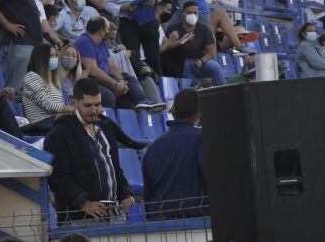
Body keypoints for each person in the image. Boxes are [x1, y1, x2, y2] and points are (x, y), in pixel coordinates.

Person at [44, 78, 138, 222]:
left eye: (98, 105)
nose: (94, 111)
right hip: (78, 221)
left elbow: (115, 169)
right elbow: (57, 179)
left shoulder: (106, 128)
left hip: (113, 216)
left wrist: (126, 194)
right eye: (88, 105)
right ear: (73, 102)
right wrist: (83, 203)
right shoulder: (59, 134)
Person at [141, 88, 207, 219]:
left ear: (173, 111)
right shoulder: (203, 139)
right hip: (197, 220)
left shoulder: (154, 147)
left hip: (159, 222)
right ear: (199, 114)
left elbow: (148, 194)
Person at [75, 17, 159, 109]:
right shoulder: (85, 42)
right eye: (107, 30)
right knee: (109, 96)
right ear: (101, 31)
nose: (108, 33)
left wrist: (122, 82)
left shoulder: (101, 44)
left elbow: (112, 66)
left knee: (130, 82)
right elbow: (93, 71)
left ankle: (143, 104)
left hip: (106, 79)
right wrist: (114, 84)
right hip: (92, 80)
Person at [160, 1, 225, 87]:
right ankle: (195, 89)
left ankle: (221, 91)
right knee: (187, 72)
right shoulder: (173, 28)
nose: (193, 15)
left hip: (199, 61)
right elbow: (167, 48)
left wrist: (201, 61)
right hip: (181, 62)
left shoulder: (204, 29)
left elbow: (211, 53)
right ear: (183, 14)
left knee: (215, 67)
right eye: (189, 12)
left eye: (195, 12)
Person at [21, 43, 75, 133]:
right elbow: (47, 104)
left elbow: (58, 105)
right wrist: (72, 109)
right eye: (52, 56)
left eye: (55, 55)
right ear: (42, 58)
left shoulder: (55, 79)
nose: (55, 58)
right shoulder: (32, 76)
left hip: (54, 121)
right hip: (41, 124)